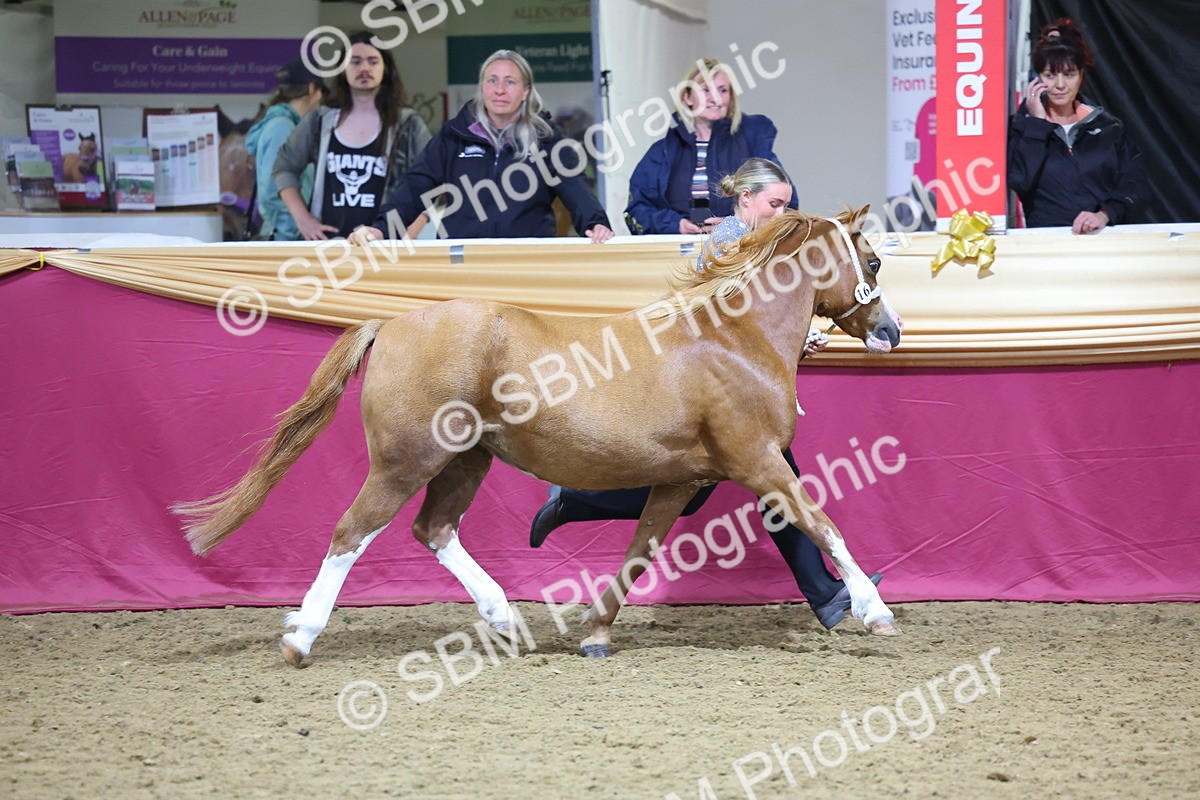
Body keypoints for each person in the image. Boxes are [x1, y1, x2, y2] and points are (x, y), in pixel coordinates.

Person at [530, 157, 881, 630]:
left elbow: (752, 332)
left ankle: (826, 593)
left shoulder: (762, 249)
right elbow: (725, 326)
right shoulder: (731, 240)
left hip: (730, 391)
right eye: (774, 204)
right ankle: (827, 593)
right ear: (746, 200)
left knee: (736, 488)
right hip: (708, 389)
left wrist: (798, 340)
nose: (782, 213)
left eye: (787, 205)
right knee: (767, 483)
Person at [348, 49, 612, 244]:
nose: (500, 89)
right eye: (492, 80)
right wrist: (382, 228)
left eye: (510, 81)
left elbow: (576, 188)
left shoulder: (546, 139)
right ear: (482, 87)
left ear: (525, 92)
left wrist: (596, 224)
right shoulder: (454, 136)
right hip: (461, 259)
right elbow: (415, 186)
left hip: (527, 262)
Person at [272, 31, 432, 240]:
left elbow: (432, 183)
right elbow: (284, 167)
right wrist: (303, 219)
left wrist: (407, 235)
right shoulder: (320, 120)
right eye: (355, 62)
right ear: (342, 70)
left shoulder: (408, 125)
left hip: (384, 247)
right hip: (328, 249)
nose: (364, 68)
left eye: (373, 61)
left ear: (386, 69)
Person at [624, 57, 797, 236]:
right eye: (706, 90)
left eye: (722, 90)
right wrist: (675, 225)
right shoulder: (663, 152)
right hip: (676, 254)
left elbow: (787, 204)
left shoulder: (752, 143)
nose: (715, 98)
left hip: (740, 253)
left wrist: (736, 224)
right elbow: (635, 211)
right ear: (688, 97)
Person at [1008, 19, 1147, 233]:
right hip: (1047, 247)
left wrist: (1105, 214)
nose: (1060, 85)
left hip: (1107, 242)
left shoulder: (1108, 128)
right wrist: (1035, 125)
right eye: (1050, 75)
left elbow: (1134, 184)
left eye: (1069, 74)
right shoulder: (1021, 127)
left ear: (1081, 75)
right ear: (1036, 78)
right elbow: (1020, 181)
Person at [244, 59, 327, 240]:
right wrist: (295, 229)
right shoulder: (282, 128)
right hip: (285, 239)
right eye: (322, 91)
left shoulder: (284, 125)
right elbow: (273, 190)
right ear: (312, 89)